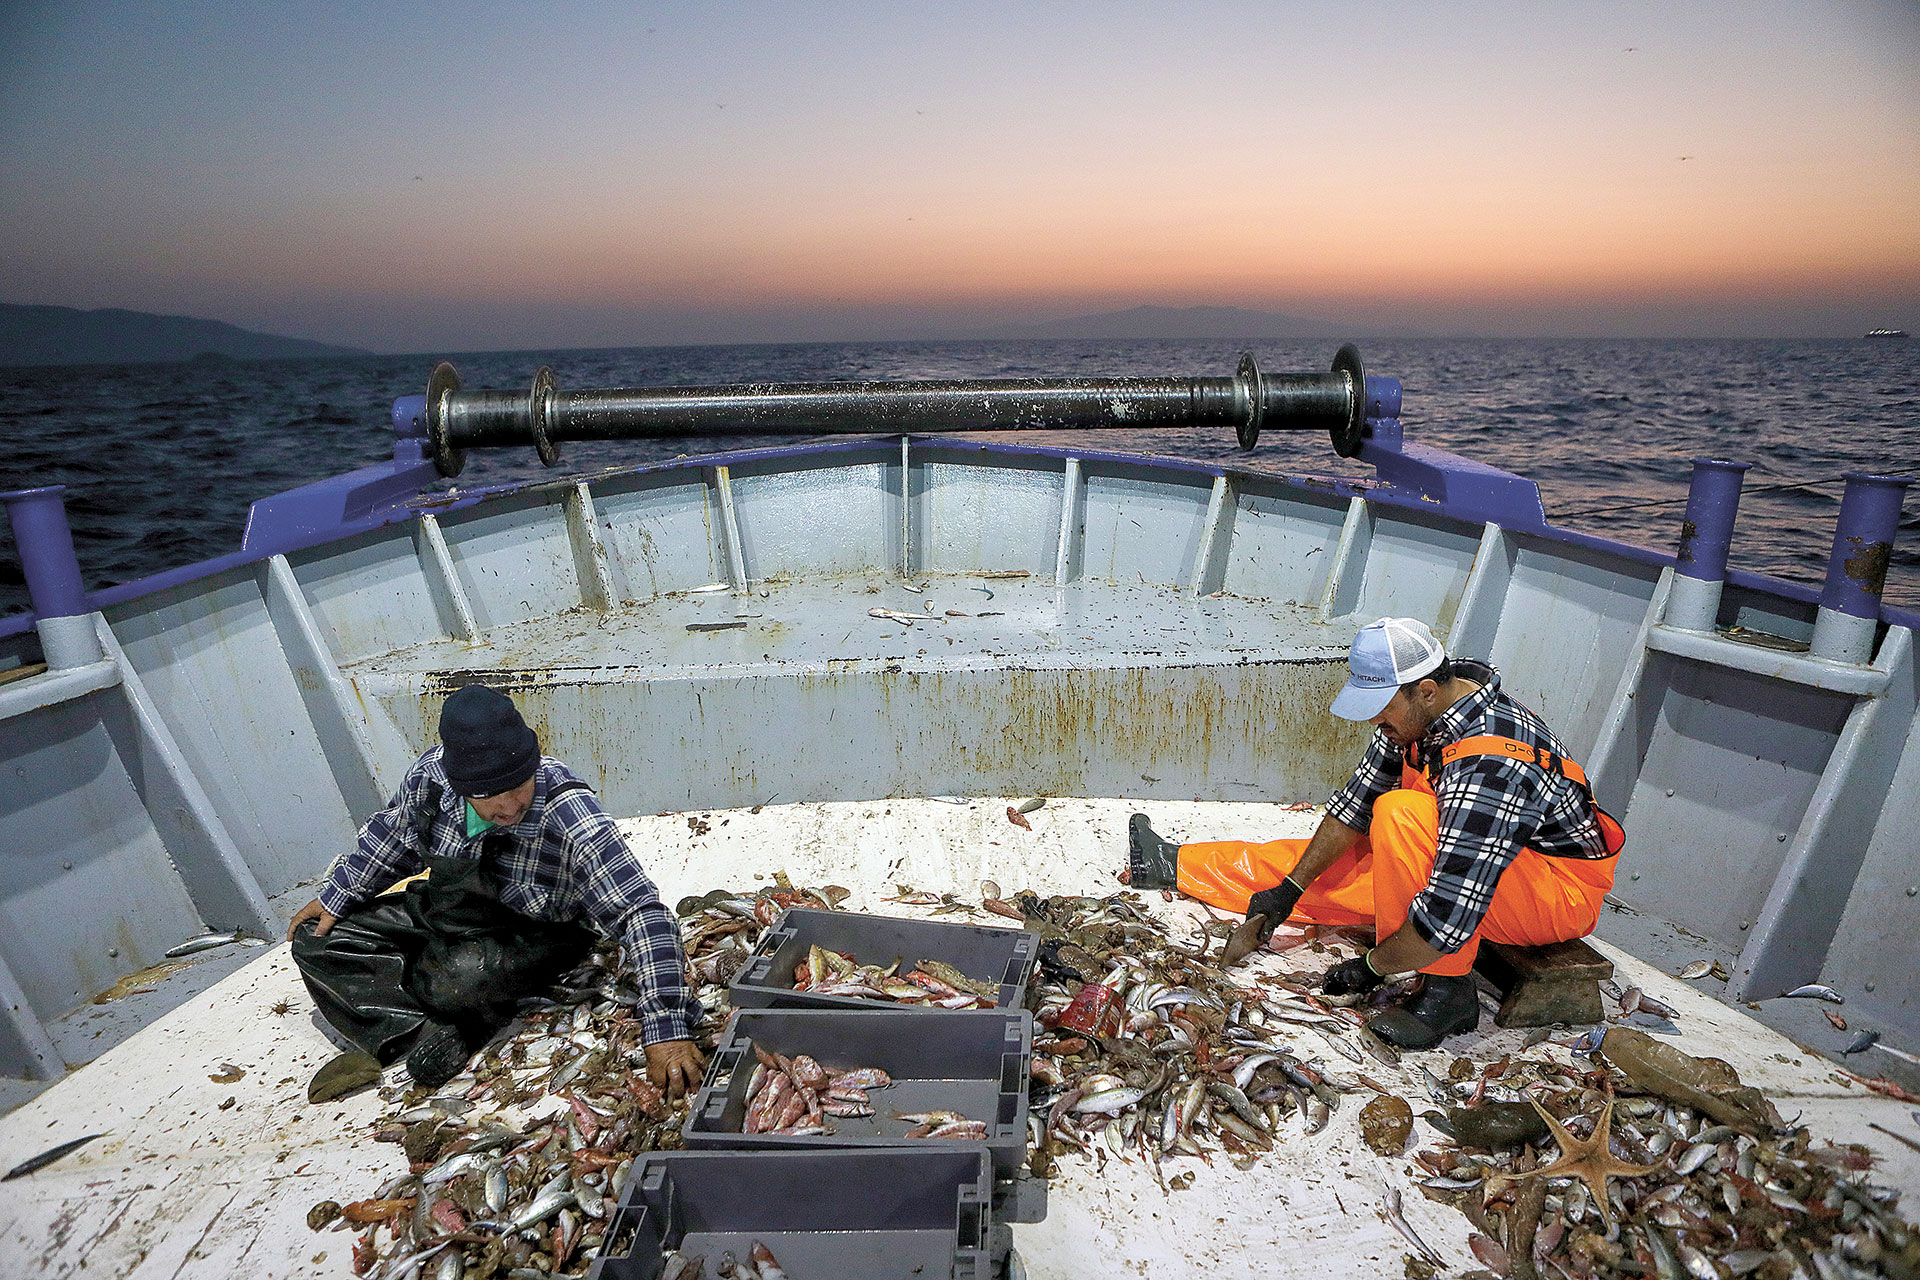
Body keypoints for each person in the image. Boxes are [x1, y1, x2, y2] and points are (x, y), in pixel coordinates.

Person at [1127, 617, 1622, 1050]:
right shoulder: (1419, 716)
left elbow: (1448, 915)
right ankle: (1177, 865)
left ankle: (1448, 994)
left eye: (1381, 708)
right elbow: (1352, 809)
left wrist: (1374, 965)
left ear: (1425, 690)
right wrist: (1286, 892)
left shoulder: (1491, 761)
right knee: (1356, 850)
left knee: (1400, 817)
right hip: (1467, 858)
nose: (1375, 722)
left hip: (1554, 892)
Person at [289, 685, 704, 1098]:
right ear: (459, 783)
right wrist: (339, 892)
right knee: (316, 939)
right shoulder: (432, 778)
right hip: (449, 910)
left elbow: (643, 913)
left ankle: (450, 1010)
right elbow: (394, 838)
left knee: (456, 979)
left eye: (518, 787)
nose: (507, 808)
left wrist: (665, 1027)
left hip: (537, 932)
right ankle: (424, 1034)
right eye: (487, 797)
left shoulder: (571, 812)